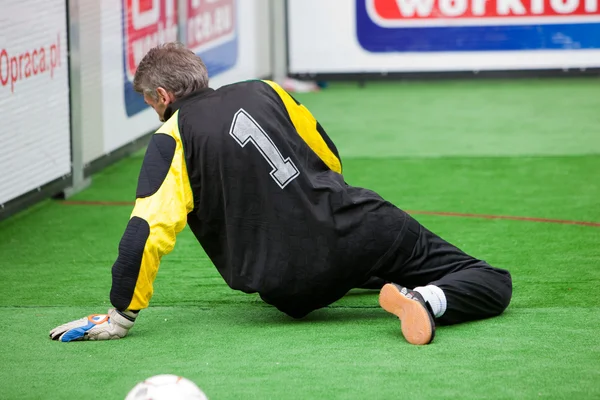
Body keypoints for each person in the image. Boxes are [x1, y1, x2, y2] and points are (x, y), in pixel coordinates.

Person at [49, 43, 512, 346]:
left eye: (150, 100)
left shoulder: (171, 138)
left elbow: (145, 232)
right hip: (359, 230)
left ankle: (388, 286)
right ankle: (426, 300)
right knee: (490, 280)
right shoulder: (266, 90)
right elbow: (327, 155)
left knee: (343, 266)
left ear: (164, 95)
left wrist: (120, 315)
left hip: (290, 286)